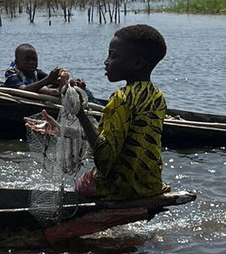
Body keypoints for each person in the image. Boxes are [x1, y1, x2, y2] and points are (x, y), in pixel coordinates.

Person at [27, 24, 169, 202]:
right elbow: (117, 140)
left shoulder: (121, 98)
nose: (106, 61)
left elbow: (104, 156)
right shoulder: (157, 95)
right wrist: (60, 129)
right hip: (150, 184)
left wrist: (80, 113)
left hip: (121, 188)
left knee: (82, 183)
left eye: (113, 55)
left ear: (137, 63)